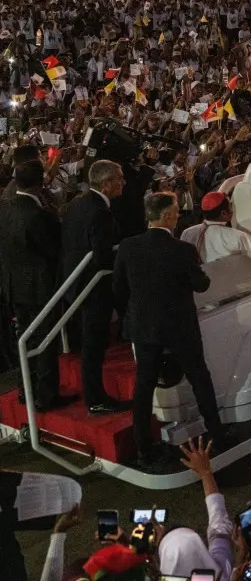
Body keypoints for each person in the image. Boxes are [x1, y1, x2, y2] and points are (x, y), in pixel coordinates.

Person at [113, 193, 223, 467]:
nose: (179, 214)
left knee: (144, 385)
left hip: (144, 326)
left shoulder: (127, 247)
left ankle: (143, 448)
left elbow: (118, 289)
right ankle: (216, 434)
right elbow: (201, 285)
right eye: (176, 211)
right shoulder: (181, 250)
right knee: (199, 377)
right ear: (167, 217)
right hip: (179, 326)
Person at [59, 159, 128, 414]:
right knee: (93, 345)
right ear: (107, 184)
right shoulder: (100, 212)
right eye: (120, 178)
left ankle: (95, 396)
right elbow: (102, 257)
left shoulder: (77, 203)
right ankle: (96, 399)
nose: (124, 182)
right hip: (92, 288)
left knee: (91, 344)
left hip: (77, 285)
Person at [0, 160, 70, 411]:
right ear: (41, 182)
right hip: (39, 290)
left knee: (25, 340)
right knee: (43, 341)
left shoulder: (4, 209)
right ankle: (46, 396)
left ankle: (25, 390)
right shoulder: (37, 216)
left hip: (14, 287)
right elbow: (53, 250)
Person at [180, 191, 251, 267]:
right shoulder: (237, 237)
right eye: (230, 206)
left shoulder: (187, 233)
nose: (233, 209)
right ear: (224, 213)